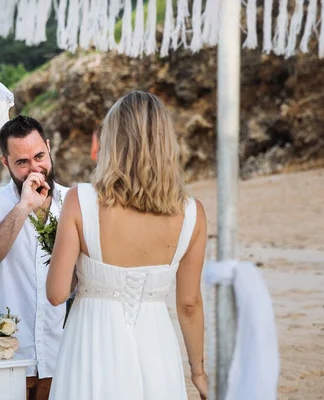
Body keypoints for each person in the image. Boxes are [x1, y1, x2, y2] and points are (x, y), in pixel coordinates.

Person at [46, 91, 209, 400]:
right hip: (156, 347)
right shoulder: (192, 213)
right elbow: (189, 305)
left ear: (113, 141)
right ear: (165, 142)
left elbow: (56, 293)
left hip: (90, 347)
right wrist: (197, 371)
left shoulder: (79, 201)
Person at [0, 115, 69, 400]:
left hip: (65, 357)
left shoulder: (77, 203)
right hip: (10, 360)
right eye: (22, 162)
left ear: (48, 148)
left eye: (39, 156)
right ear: (5, 162)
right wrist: (23, 206)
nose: (35, 168)